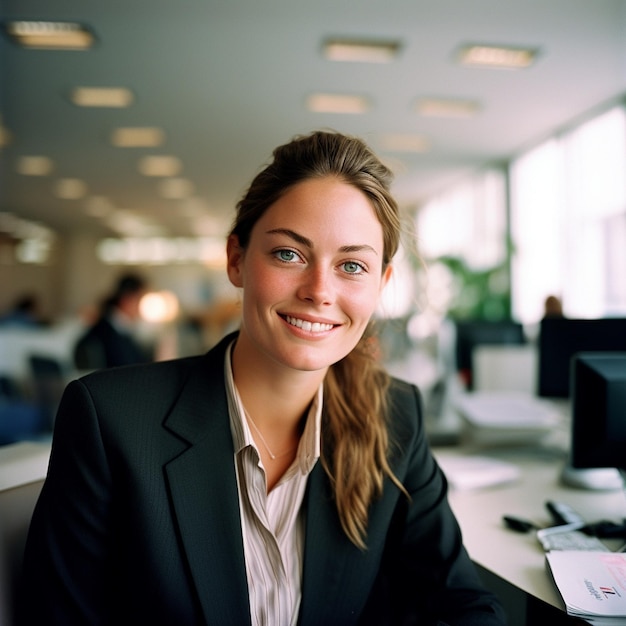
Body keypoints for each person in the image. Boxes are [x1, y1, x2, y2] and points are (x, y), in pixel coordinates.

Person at [18, 131, 506, 625]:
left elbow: (464, 604)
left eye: (352, 265)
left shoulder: (394, 415)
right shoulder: (112, 420)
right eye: (288, 254)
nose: (319, 291)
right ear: (237, 259)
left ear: (380, 285)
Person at [72, 272, 152, 370]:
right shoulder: (107, 332)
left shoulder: (117, 327)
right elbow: (129, 367)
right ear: (127, 299)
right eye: (140, 300)